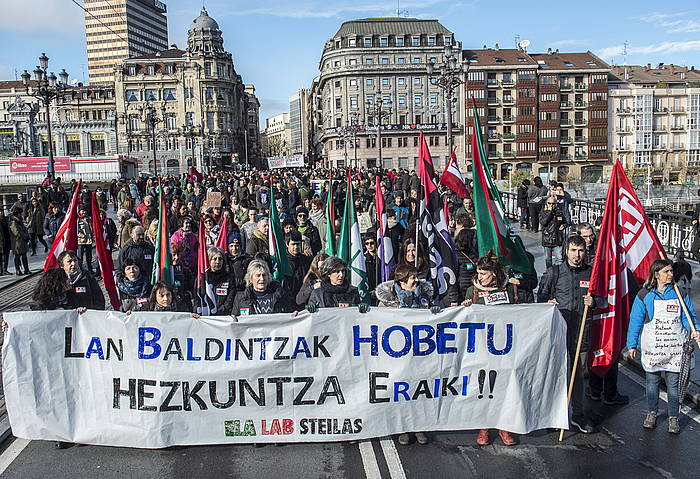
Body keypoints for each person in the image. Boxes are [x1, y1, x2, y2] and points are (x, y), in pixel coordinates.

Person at [537, 235, 608, 434]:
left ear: (586, 252)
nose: (577, 255)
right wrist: (547, 303)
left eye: (581, 251)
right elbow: (540, 299)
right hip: (557, 333)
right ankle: (552, 415)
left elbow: (604, 301)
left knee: (577, 376)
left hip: (581, 333)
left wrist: (594, 303)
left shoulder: (591, 274)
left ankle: (577, 415)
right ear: (566, 251)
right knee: (555, 374)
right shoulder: (555, 272)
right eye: (573, 250)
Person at [627, 259, 700, 434]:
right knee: (652, 382)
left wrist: (695, 329)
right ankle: (652, 413)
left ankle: (673, 416)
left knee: (673, 384)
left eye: (671, 271)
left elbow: (687, 316)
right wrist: (632, 344)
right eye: (666, 271)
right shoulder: (645, 294)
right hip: (653, 348)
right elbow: (636, 321)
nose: (670, 274)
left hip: (675, 348)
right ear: (656, 274)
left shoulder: (679, 293)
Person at [461, 252, 521, 446]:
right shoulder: (473, 291)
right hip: (481, 349)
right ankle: (484, 427)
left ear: (494, 274)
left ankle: (504, 427)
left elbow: (521, 313)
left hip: (504, 348)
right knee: (485, 388)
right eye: (478, 273)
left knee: (504, 387)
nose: (480, 277)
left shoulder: (507, 289)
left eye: (484, 273)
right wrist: (465, 307)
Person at [228, 259, 294, 317]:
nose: (262, 279)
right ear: (250, 278)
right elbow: (235, 320)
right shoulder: (241, 298)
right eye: (258, 275)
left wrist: (294, 315)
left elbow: (289, 315)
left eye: (264, 275)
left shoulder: (280, 295)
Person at [196, 246, 236, 315]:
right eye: (214, 259)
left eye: (220, 259)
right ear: (209, 260)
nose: (218, 262)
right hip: (205, 315)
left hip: (222, 316)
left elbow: (230, 300)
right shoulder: (202, 278)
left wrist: (218, 312)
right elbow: (197, 297)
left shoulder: (229, 278)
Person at [539, 196, 566, 269]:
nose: (551, 205)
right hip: (547, 239)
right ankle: (549, 273)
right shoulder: (543, 212)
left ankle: (559, 273)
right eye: (549, 203)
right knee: (548, 260)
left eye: (553, 203)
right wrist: (550, 212)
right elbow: (543, 222)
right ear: (546, 203)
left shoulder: (559, 212)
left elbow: (565, 222)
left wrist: (564, 225)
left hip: (557, 239)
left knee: (559, 258)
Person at [285, 230, 312, 300]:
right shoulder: (283, 262)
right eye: (293, 244)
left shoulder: (307, 260)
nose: (296, 247)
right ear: (287, 244)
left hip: (303, 297)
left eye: (298, 244)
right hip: (288, 298)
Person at [171, 243, 195, 312]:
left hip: (184, 306)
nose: (176, 257)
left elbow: (193, 289)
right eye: (173, 255)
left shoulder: (186, 271)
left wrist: (185, 295)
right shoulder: (163, 273)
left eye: (178, 254)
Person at [8, 206, 30, 275]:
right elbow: (16, 232)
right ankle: (18, 270)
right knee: (17, 256)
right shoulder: (13, 222)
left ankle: (26, 269)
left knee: (24, 255)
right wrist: (25, 236)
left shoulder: (19, 221)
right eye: (19, 213)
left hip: (22, 241)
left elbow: (23, 229)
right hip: (17, 242)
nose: (20, 215)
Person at [77, 207, 95, 274]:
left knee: (89, 256)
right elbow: (76, 230)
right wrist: (81, 235)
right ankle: (80, 270)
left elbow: (91, 228)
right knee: (80, 257)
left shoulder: (89, 218)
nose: (84, 212)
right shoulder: (78, 219)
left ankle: (89, 269)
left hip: (89, 240)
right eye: (82, 211)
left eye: (85, 211)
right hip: (81, 241)